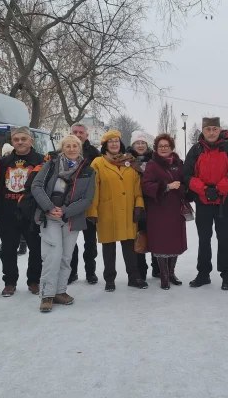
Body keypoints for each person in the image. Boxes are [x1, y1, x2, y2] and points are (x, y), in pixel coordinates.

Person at [31, 135, 95, 312]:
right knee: (53, 255)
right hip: (49, 216)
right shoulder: (51, 164)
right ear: (62, 148)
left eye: (75, 146)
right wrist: (49, 207)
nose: (72, 149)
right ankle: (47, 294)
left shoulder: (88, 170)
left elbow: (87, 198)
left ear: (79, 148)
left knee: (66, 257)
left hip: (71, 218)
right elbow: (37, 186)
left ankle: (60, 291)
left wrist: (66, 211)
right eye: (68, 146)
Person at [183, 117, 228, 290]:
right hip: (203, 202)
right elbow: (187, 175)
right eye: (208, 129)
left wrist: (218, 189)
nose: (211, 132)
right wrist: (204, 190)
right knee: (204, 239)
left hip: (223, 202)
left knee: (223, 239)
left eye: (215, 129)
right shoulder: (196, 150)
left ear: (219, 130)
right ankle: (203, 274)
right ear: (203, 131)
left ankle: (226, 275)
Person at [86, 130, 147, 292]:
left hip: (128, 211)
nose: (114, 144)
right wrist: (92, 211)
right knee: (108, 248)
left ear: (121, 144)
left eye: (117, 141)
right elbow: (93, 189)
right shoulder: (98, 163)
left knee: (130, 247)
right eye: (111, 141)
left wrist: (139, 205)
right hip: (107, 211)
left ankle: (133, 277)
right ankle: (109, 279)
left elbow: (137, 187)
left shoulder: (130, 162)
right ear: (105, 145)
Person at [0, 126, 45, 296]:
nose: (20, 142)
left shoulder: (41, 161)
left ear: (31, 140)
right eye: (16, 139)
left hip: (32, 213)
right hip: (8, 211)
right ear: (12, 142)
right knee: (8, 249)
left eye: (23, 139)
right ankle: (10, 282)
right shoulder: (4, 162)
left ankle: (34, 280)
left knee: (36, 249)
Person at [141, 134, 187, 290]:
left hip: (176, 208)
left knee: (174, 241)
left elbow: (185, 182)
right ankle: (164, 276)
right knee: (161, 242)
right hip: (158, 209)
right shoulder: (152, 164)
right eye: (160, 146)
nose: (163, 148)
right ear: (156, 148)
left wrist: (182, 187)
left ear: (171, 147)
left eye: (166, 145)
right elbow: (146, 186)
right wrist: (166, 187)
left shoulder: (178, 163)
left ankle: (172, 273)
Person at [68, 122, 101, 284]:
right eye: (75, 132)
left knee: (90, 242)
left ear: (86, 135)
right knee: (70, 242)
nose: (78, 134)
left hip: (89, 203)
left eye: (81, 132)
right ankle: (71, 272)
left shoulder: (94, 153)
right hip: (69, 203)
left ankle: (90, 272)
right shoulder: (64, 151)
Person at [128, 130, 160, 280]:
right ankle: (141, 270)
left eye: (143, 143)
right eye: (137, 143)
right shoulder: (127, 160)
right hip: (134, 204)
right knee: (138, 236)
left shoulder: (155, 159)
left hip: (153, 202)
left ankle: (157, 267)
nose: (140, 145)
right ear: (132, 145)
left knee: (154, 234)